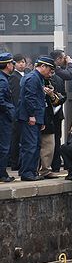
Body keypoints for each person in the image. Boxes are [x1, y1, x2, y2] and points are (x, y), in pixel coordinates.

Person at [17, 56, 55, 181]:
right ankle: (27, 172)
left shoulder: (38, 78)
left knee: (35, 145)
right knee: (30, 145)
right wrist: (32, 115)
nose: (50, 72)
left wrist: (40, 119)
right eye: (49, 69)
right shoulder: (33, 78)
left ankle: (30, 171)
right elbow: (30, 98)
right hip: (30, 118)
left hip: (36, 118)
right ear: (42, 66)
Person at [49, 49, 72, 172]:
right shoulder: (57, 72)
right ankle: (51, 164)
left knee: (56, 138)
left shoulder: (57, 77)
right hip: (50, 114)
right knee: (50, 139)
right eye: (63, 58)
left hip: (56, 112)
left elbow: (63, 95)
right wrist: (70, 64)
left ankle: (55, 164)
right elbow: (69, 75)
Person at [38, 79, 64, 179]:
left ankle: (45, 169)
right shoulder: (34, 80)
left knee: (49, 145)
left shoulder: (52, 81)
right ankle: (33, 170)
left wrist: (52, 94)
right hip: (39, 117)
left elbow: (58, 101)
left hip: (50, 117)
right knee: (35, 146)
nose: (50, 73)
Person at [0, 53, 16, 182]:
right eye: (11, 63)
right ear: (7, 65)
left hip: (4, 117)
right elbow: (1, 101)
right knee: (4, 146)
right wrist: (10, 111)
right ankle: (2, 173)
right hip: (3, 118)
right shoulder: (2, 80)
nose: (13, 66)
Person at [9, 54, 26, 171]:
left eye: (23, 62)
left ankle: (20, 161)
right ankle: (14, 162)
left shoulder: (26, 75)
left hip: (24, 113)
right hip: (18, 113)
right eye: (19, 62)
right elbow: (15, 97)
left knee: (22, 139)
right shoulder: (14, 77)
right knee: (16, 138)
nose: (21, 64)